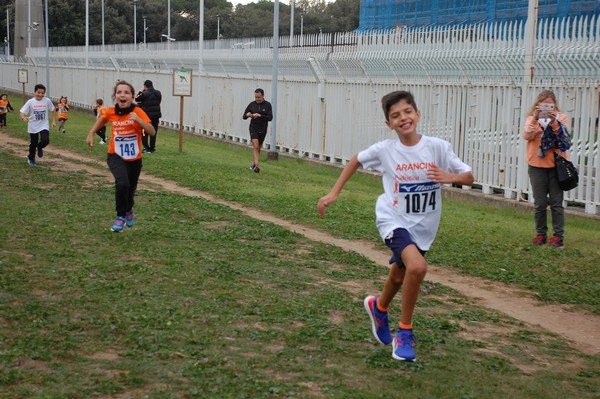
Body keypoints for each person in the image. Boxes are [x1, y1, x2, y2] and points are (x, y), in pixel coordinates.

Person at [317, 91, 474, 362]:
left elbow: (469, 176)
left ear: (418, 114)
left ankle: (379, 308)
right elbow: (356, 159)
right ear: (389, 124)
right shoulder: (386, 151)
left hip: (423, 227)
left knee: (400, 276)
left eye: (407, 112)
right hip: (393, 219)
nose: (403, 118)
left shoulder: (437, 147)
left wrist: (449, 177)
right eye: (395, 115)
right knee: (417, 267)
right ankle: (404, 332)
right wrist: (334, 193)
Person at [86, 81, 155, 232]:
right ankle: (120, 216)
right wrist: (91, 133)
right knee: (122, 183)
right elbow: (102, 120)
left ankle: (129, 209)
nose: (122, 95)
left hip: (134, 158)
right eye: (119, 92)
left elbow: (152, 132)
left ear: (132, 96)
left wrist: (138, 120)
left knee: (130, 188)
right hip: (115, 155)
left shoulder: (138, 112)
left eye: (126, 92)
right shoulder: (110, 111)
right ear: (115, 96)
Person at [522, 90, 570, 248]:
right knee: (540, 203)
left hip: (556, 166)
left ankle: (558, 237)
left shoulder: (561, 118)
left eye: (550, 105)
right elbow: (526, 135)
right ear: (538, 105)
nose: (547, 108)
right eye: (544, 105)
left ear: (554, 104)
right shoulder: (531, 119)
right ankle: (540, 234)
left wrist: (553, 122)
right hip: (536, 165)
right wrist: (536, 120)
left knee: (556, 203)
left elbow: (563, 138)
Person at [19, 84, 57, 166]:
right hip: (33, 125)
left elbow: (53, 110)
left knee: (45, 140)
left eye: (42, 93)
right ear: (34, 92)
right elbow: (22, 112)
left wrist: (53, 121)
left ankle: (39, 147)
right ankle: (31, 158)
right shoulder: (30, 102)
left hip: (44, 125)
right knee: (33, 144)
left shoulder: (47, 101)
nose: (40, 95)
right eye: (38, 92)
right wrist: (23, 117)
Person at [242, 88, 273, 173]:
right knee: (255, 145)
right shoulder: (252, 104)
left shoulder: (268, 105)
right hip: (253, 128)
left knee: (258, 148)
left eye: (259, 97)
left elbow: (270, 118)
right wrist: (248, 115)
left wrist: (260, 116)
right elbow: (244, 116)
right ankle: (256, 166)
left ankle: (254, 164)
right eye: (256, 97)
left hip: (263, 129)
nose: (257, 99)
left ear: (263, 96)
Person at [135, 80, 162, 153]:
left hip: (146, 115)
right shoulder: (158, 93)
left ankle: (146, 147)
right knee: (154, 131)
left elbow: (136, 98)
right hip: (156, 115)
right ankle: (152, 148)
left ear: (145, 86)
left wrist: (141, 91)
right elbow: (159, 102)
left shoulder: (145, 94)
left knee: (144, 131)